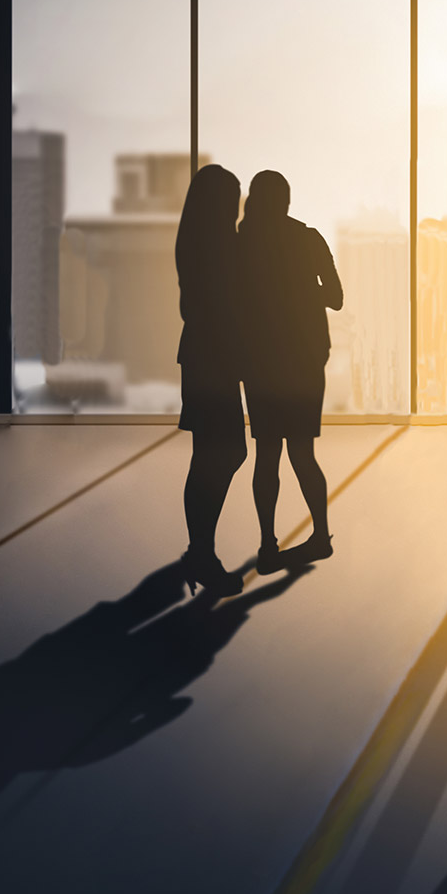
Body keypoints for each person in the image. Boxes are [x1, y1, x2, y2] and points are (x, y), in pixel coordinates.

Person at [236, 170, 341, 571]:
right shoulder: (309, 239)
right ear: (287, 200)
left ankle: (267, 544)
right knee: (303, 453)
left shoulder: (242, 245)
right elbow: (336, 298)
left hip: (261, 364)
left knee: (267, 455)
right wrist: (302, 293)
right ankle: (320, 534)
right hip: (305, 363)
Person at [174, 163, 247, 593]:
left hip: (205, 357)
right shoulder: (218, 246)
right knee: (222, 453)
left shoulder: (200, 241)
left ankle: (199, 549)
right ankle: (201, 552)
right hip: (212, 359)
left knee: (211, 455)